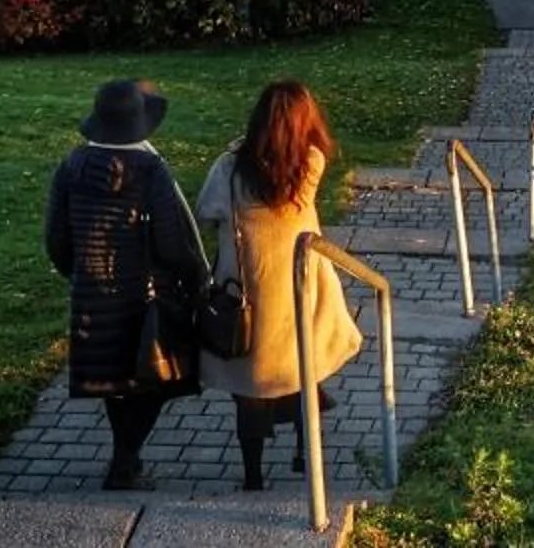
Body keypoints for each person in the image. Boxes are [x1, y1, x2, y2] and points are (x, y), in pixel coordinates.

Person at [197, 79, 365, 490]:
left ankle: (253, 475)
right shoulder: (310, 164)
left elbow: (205, 211)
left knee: (249, 387)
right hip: (301, 286)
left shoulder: (229, 167)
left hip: (247, 293)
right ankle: (306, 455)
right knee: (304, 368)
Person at [45, 78, 208, 491]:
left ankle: (125, 459)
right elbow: (171, 243)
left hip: (91, 293)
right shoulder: (149, 171)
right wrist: (196, 276)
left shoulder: (71, 167)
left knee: (113, 381)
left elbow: (57, 239)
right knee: (155, 379)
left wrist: (79, 273)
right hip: (143, 293)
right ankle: (125, 459)